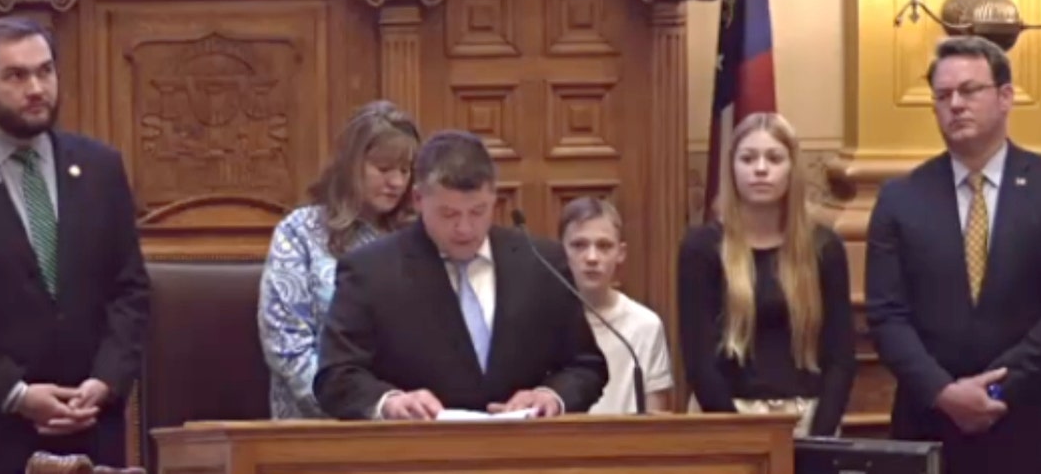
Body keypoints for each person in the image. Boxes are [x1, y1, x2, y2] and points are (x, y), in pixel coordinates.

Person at [0, 16, 150, 474]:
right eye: (16, 76)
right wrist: (16, 395)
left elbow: (129, 290)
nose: (36, 88)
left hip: (90, 430)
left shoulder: (101, 168)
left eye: (45, 71)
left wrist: (106, 380)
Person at [866, 36, 1041, 474]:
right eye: (943, 96)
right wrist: (945, 393)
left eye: (969, 90)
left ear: (1005, 96)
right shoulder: (900, 198)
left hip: (1027, 426)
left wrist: (995, 393)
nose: (956, 105)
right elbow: (886, 314)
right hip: (928, 422)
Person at [313, 129, 607, 420]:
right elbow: (336, 375)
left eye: (478, 211)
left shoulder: (542, 262)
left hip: (522, 454)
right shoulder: (371, 270)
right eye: (449, 214)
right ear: (418, 199)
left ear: (494, 197)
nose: (465, 229)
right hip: (414, 456)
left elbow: (585, 366)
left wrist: (551, 396)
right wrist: (389, 402)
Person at [678, 112, 855, 437]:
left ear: (792, 168)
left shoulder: (824, 247)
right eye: (748, 158)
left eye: (774, 158)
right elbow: (699, 362)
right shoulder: (701, 248)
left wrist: (820, 436)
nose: (761, 169)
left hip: (807, 417)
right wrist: (741, 437)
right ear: (732, 168)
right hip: (726, 418)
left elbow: (841, 357)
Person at [257, 100, 420, 418]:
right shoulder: (299, 233)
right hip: (319, 425)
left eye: (405, 170)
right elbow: (287, 347)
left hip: (409, 421)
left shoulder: (417, 238)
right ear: (350, 166)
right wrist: (367, 406)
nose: (397, 183)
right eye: (384, 169)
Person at [558, 196, 673, 414]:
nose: (592, 257)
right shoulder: (539, 322)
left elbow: (656, 419)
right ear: (560, 250)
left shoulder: (645, 325)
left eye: (604, 246)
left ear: (621, 253)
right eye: (579, 245)